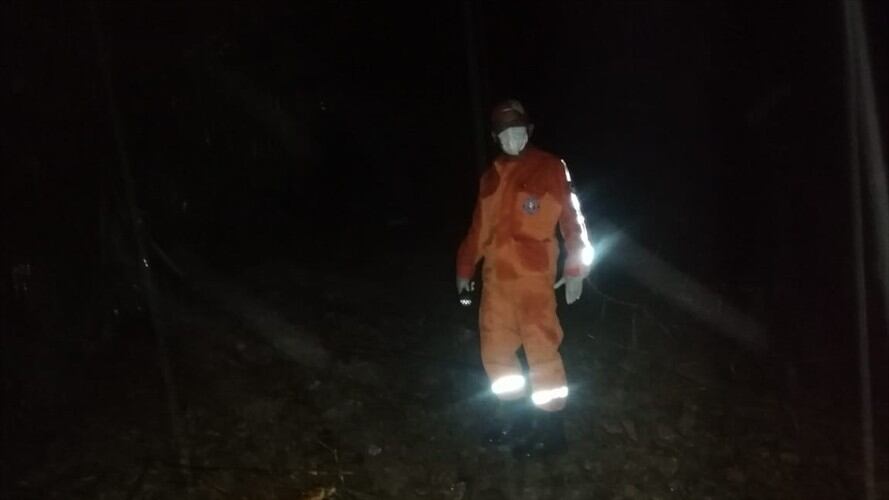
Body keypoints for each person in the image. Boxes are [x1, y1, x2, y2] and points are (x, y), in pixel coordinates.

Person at [456, 99, 594, 456]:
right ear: (495, 136)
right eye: (504, 132)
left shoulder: (550, 167)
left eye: (517, 129)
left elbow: (573, 219)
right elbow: (478, 230)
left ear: (529, 130)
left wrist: (576, 267)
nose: (512, 137)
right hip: (496, 283)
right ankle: (515, 421)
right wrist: (465, 267)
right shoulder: (491, 176)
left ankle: (551, 432)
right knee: (496, 353)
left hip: (534, 281)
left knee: (541, 350)